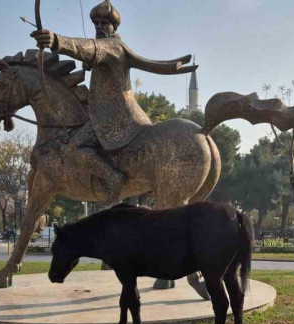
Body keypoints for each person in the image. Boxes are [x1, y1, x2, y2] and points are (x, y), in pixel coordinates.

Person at [31, 0, 195, 205]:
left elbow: (86, 47)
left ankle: (112, 178)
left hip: (116, 120)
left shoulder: (112, 46)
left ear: (114, 27)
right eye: (96, 23)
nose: (99, 27)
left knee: (73, 148)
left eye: (104, 23)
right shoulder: (111, 47)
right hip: (119, 117)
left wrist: (56, 40)